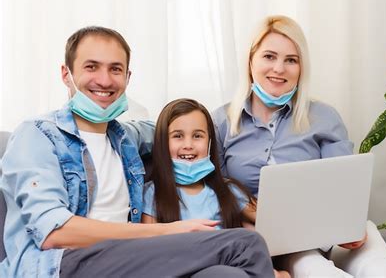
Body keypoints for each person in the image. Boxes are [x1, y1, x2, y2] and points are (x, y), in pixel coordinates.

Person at [0, 26, 275, 278]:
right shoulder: (37, 135)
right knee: (245, 245)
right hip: (60, 265)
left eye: (116, 69)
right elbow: (54, 232)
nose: (105, 80)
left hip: (129, 262)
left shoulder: (126, 137)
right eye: (92, 67)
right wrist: (166, 232)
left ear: (127, 78)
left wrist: (244, 123)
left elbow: (177, 126)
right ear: (66, 74)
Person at [213, 16, 386, 277]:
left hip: (330, 231)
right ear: (251, 60)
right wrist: (258, 218)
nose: (279, 68)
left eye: (291, 60)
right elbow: (216, 189)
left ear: (301, 67)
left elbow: (344, 184)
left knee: (381, 270)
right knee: (313, 267)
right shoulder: (221, 121)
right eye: (269, 56)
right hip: (276, 240)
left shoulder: (324, 117)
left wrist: (350, 225)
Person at [142, 98, 290, 278]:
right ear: (162, 143)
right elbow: (149, 249)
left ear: (210, 142)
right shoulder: (152, 193)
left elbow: (273, 222)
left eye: (197, 136)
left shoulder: (228, 191)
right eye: (178, 136)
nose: (188, 144)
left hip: (230, 266)